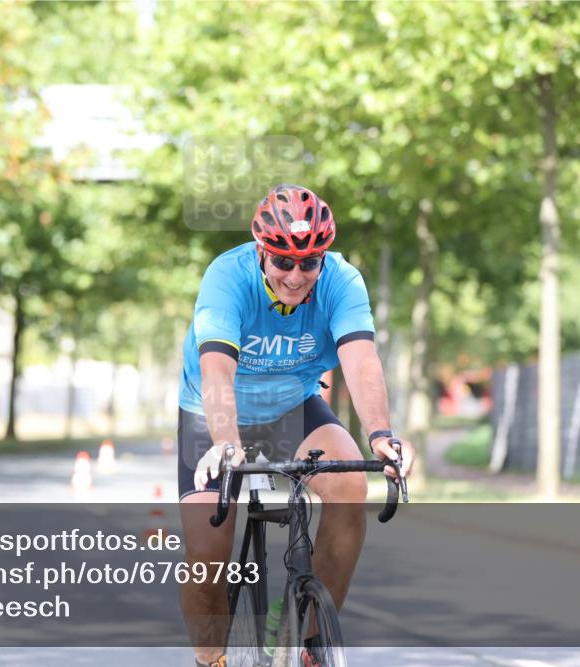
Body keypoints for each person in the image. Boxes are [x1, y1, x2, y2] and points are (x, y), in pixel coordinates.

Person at [177, 184, 416, 667]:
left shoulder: (342, 281)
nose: (295, 275)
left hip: (293, 406)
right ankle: (211, 661)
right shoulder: (227, 276)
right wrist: (226, 441)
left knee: (349, 485)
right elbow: (218, 369)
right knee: (206, 554)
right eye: (283, 262)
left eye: (309, 262)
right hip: (216, 415)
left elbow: (362, 360)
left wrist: (381, 436)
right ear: (262, 251)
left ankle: (309, 645)